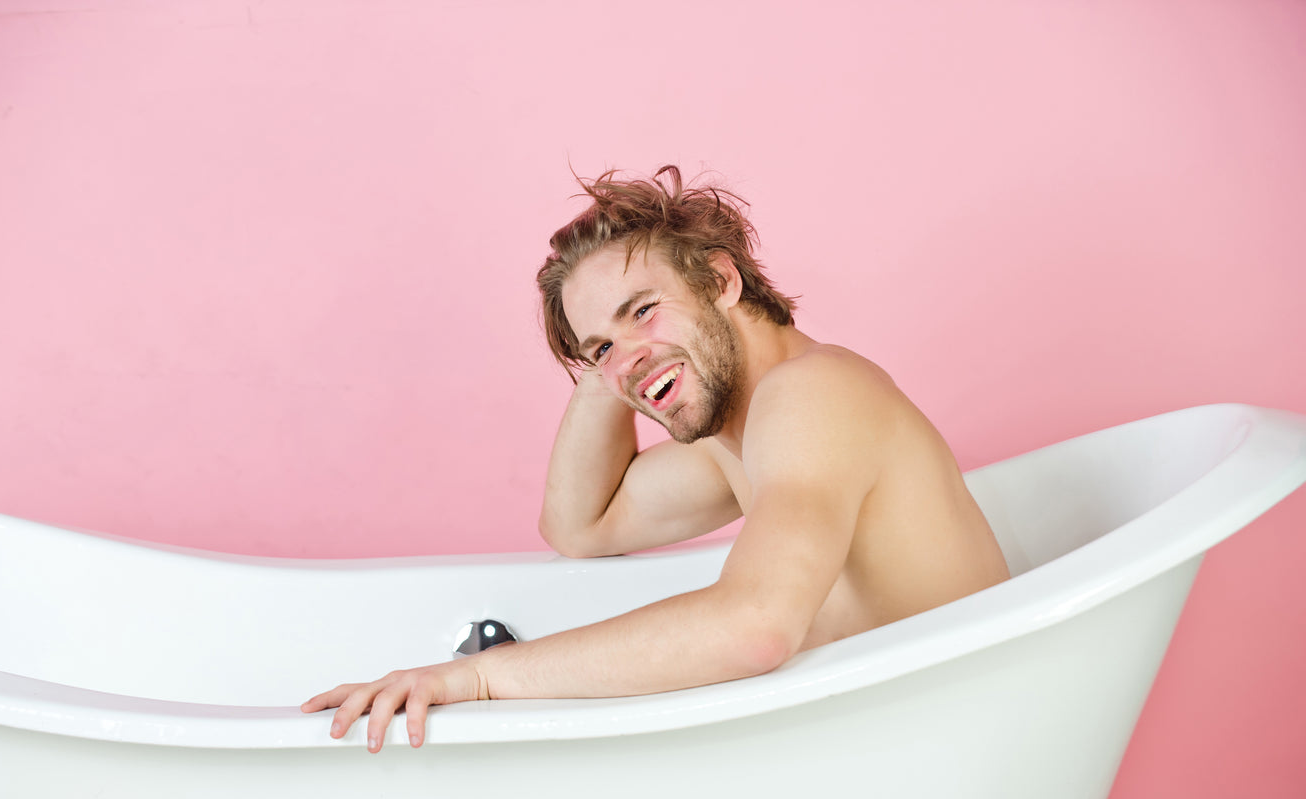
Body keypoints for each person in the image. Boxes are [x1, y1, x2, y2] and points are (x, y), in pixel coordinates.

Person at [302, 165, 1010, 751]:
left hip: (954, 743)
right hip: (897, 734)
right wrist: (617, 353)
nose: (624, 357)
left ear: (722, 281)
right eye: (599, 348)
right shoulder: (743, 435)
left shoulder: (813, 397)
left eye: (645, 308)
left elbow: (755, 625)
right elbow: (581, 526)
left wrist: (483, 679)